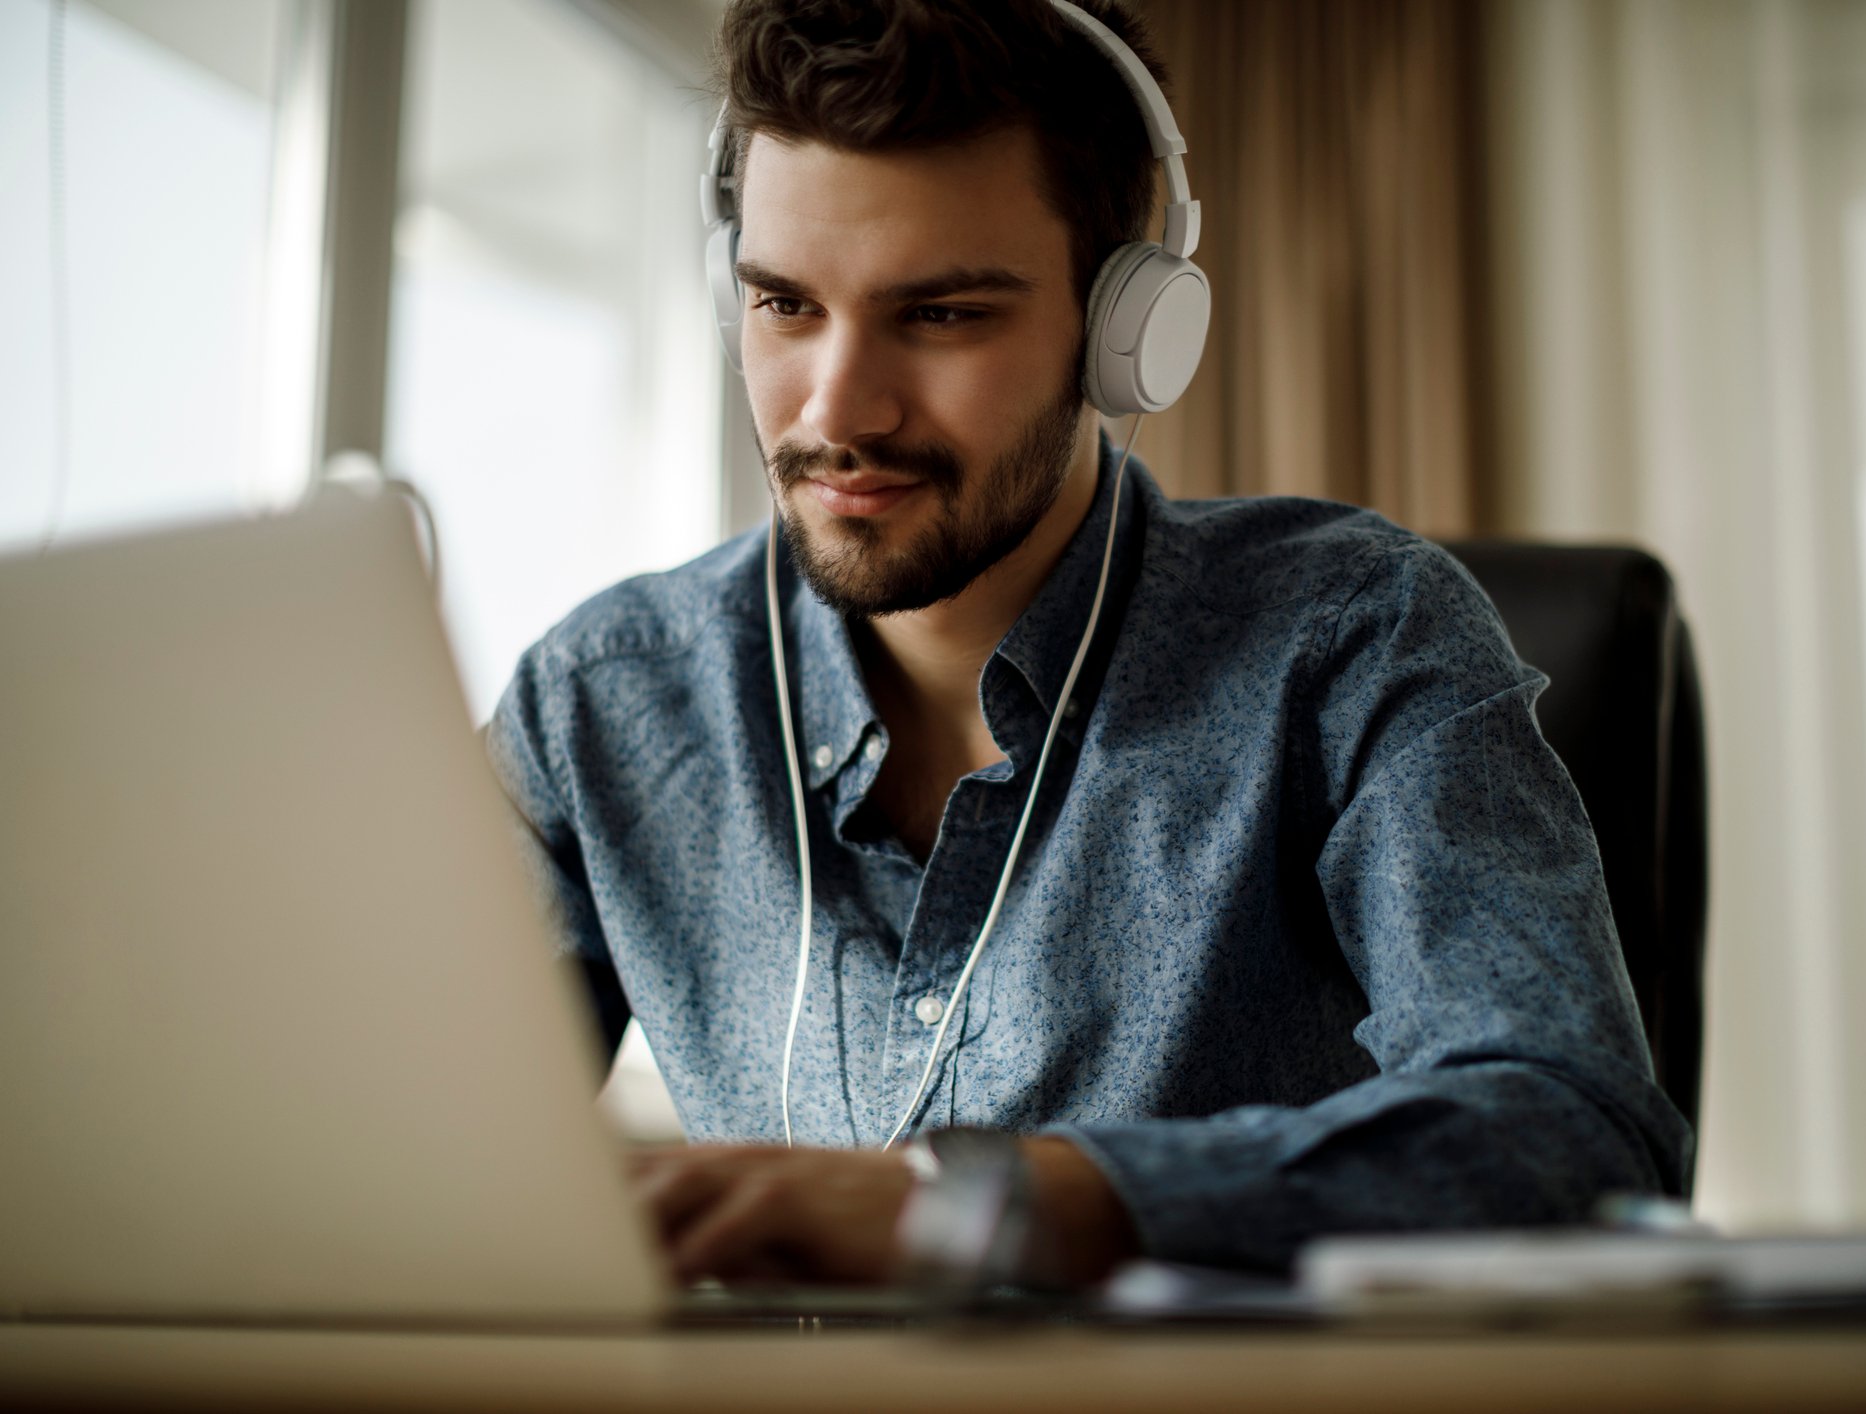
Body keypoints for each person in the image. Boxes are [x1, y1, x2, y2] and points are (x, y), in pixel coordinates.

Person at [484, 0, 1690, 1289]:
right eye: (783, 304)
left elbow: (1579, 1134)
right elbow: (401, 1159)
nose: (837, 409)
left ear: (1128, 329)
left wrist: (993, 1207)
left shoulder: (1352, 638)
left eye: (942, 315)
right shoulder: (599, 700)